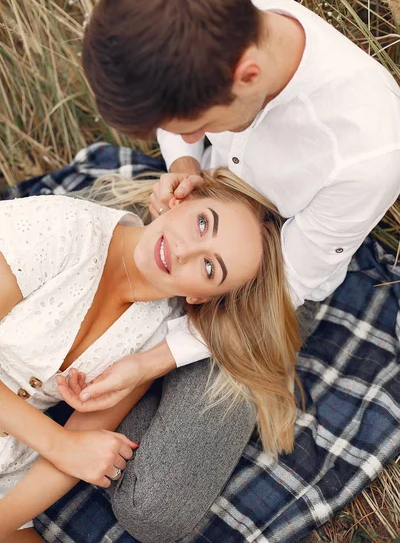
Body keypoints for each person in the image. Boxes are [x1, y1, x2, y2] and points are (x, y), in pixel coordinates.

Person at [58, 0, 400, 543]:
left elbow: (294, 281)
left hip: (267, 286)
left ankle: (117, 395)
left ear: (246, 75)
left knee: (153, 510)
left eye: (194, 124)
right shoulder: (209, 26)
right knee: (48, 314)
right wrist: (187, 161)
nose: (185, 134)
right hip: (187, 220)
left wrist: (155, 359)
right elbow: (177, 130)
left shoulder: (369, 150)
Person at [0, 168, 301, 542]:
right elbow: (70, 449)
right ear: (182, 199)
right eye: (202, 223)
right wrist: (60, 445)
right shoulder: (62, 229)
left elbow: (81, 448)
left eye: (209, 267)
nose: (184, 250)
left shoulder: (158, 335)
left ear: (200, 297)